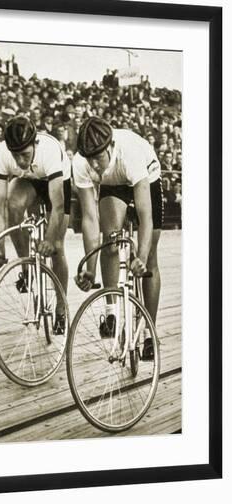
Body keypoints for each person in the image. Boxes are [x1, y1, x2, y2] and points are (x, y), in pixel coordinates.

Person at [73, 117, 163, 360]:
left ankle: (148, 332)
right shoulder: (81, 162)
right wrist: (90, 270)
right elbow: (90, 220)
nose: (94, 164)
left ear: (110, 146)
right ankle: (112, 312)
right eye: (89, 158)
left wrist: (141, 257)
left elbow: (146, 218)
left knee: (150, 261)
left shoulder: (129, 153)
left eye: (98, 158)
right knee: (110, 236)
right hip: (113, 183)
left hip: (146, 175)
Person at [0, 116, 71, 334]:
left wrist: (50, 239)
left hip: (56, 182)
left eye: (24, 155)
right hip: (29, 180)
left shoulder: (50, 152)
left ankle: (61, 309)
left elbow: (58, 206)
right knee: (13, 206)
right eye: (15, 156)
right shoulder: (1, 154)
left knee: (57, 248)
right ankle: (26, 268)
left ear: (35, 144)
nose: (20, 161)